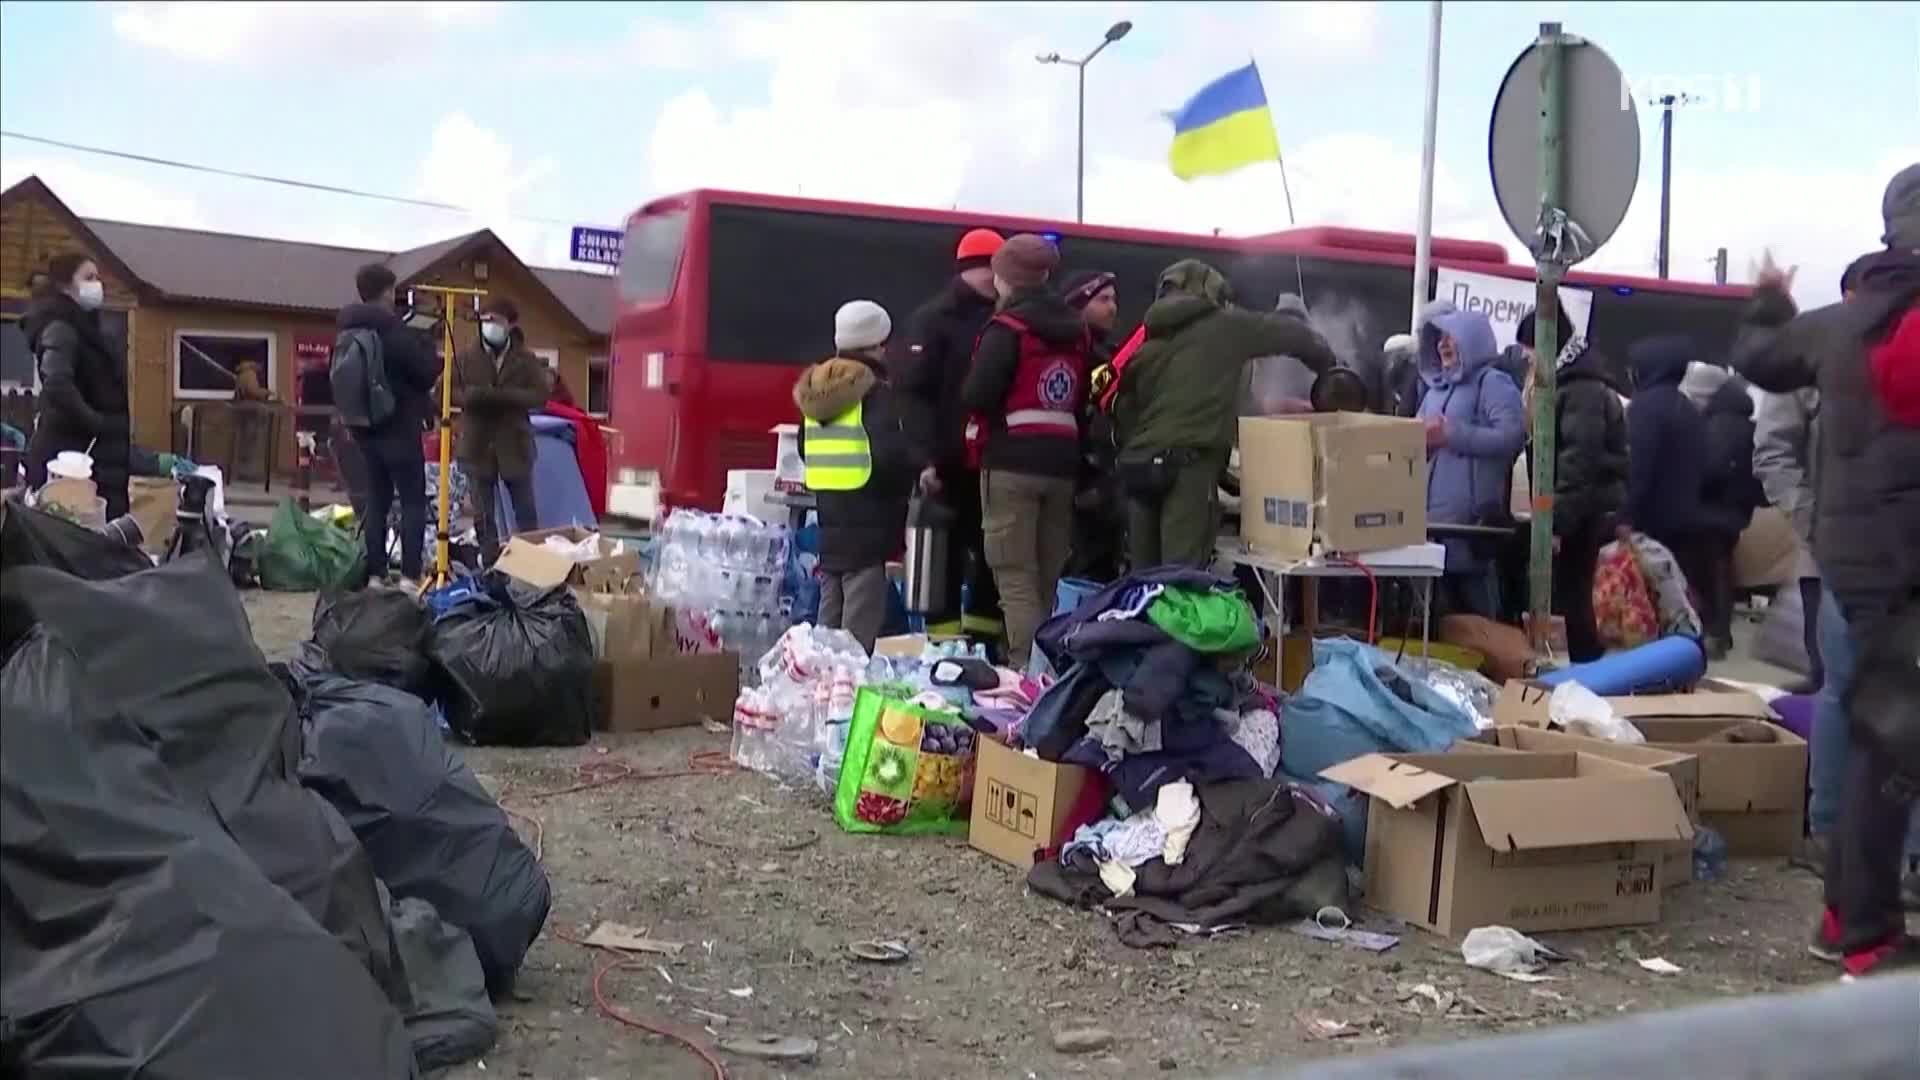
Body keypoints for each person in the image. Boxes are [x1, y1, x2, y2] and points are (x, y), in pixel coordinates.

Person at [1733, 161, 1920, 976]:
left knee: (1883, 730)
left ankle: (1849, 915)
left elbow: (1759, 355)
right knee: (1895, 737)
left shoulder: (1841, 322)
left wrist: (1771, 294)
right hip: (1905, 565)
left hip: (1851, 561)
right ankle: (1867, 935)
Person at [1111, 259, 1334, 571]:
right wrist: (1328, 364)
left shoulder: (1149, 345)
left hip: (1139, 467)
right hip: (1186, 467)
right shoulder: (1225, 326)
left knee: (1143, 577)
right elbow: (1289, 333)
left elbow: (1125, 410)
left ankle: (1141, 620)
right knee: (1181, 576)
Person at [959, 234, 1088, 669]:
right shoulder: (1076, 330)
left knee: (1015, 576)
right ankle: (1052, 671)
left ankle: (1025, 671)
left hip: (1011, 464)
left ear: (1007, 278)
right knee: (1048, 574)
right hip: (1062, 465)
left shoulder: (1006, 329)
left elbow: (978, 394)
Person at [792, 300, 924, 651]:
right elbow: (889, 454)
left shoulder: (818, 390)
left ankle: (817, 683)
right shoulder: (873, 392)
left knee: (829, 611)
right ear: (877, 345)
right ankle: (844, 693)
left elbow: (805, 447)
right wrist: (914, 471)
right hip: (870, 516)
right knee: (856, 632)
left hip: (830, 512)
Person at [892, 227, 1005, 633]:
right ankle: (942, 647)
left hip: (990, 460)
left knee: (990, 558)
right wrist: (925, 459)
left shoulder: (1002, 318)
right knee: (945, 558)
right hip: (948, 464)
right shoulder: (934, 320)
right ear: (978, 270)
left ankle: (984, 644)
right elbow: (913, 394)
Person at [1518, 305, 1627, 662]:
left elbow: (1578, 463)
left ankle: (1592, 684)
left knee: (1582, 609)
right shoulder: (1564, 383)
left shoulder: (1580, 390)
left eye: (1528, 346)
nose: (1524, 355)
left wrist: (1555, 523)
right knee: (1576, 605)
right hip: (1583, 514)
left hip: (1588, 519)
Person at [1416, 308, 1526, 617]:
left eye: (1450, 337)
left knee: (1480, 617)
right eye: (1439, 339)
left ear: (1471, 340)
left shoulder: (1493, 383)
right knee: (1438, 622)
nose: (1443, 345)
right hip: (1433, 527)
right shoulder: (1434, 392)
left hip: (1473, 528)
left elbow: (1511, 436)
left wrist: (1452, 434)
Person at [337, 263, 437, 584]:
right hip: (399, 427)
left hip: (365, 429)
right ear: (387, 292)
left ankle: (376, 574)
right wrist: (425, 342)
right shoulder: (394, 330)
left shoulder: (348, 329)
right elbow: (424, 373)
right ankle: (409, 575)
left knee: (377, 499)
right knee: (412, 502)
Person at [1622, 335, 1720, 631]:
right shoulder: (1688, 408)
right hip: (1686, 519)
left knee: (1644, 596)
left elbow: (1638, 467)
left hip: (1649, 521)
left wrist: (1625, 515)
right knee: (1674, 594)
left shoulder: (1645, 409)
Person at [24, 253, 131, 519]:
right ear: (65, 285)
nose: (97, 285)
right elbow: (57, 383)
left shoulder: (83, 326)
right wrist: (96, 423)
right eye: (89, 277)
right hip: (71, 455)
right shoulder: (60, 326)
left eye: (97, 277)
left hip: (91, 452)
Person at [453, 297, 550, 566]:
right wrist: (471, 398)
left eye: (495, 321)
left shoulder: (525, 359)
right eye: (484, 321)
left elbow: (540, 395)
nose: (489, 326)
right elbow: (444, 392)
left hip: (514, 444)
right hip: (477, 445)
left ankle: (531, 565)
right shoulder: (466, 357)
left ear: (510, 325)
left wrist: (505, 398)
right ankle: (490, 563)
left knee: (526, 512)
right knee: (483, 514)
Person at [1691, 362, 1766, 658]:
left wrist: (1689, 481)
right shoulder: (1735, 419)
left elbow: (1712, 467)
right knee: (1719, 567)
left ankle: (1717, 633)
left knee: (1713, 569)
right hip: (1732, 507)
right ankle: (1720, 632)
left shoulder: (1720, 424)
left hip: (1715, 507)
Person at [1060, 270, 1125, 584]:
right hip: (1083, 477)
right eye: (1102, 299)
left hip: (1103, 478)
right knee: (1086, 567)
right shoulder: (1074, 354)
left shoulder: (1105, 354)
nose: (1112, 307)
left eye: (1114, 299)